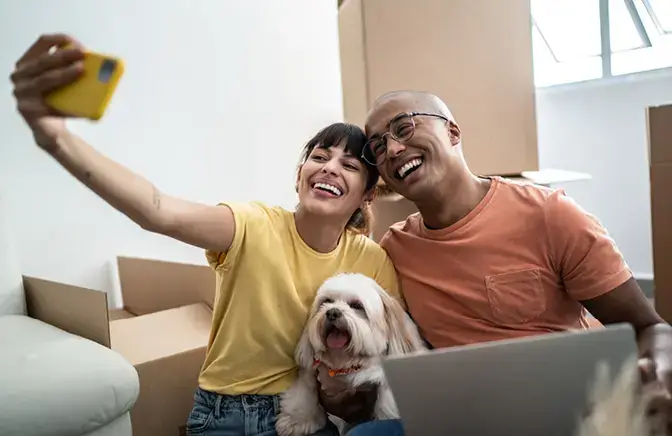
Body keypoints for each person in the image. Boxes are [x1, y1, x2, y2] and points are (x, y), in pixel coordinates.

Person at [9, 33, 402, 436]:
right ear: (300, 174)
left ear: (367, 195)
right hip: (224, 414)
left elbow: (397, 354)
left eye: (349, 165)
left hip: (306, 412)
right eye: (319, 157)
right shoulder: (251, 225)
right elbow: (157, 210)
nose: (329, 168)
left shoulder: (370, 261)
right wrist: (56, 137)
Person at [335, 90, 672, 435]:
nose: (392, 150)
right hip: (461, 415)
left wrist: (659, 373)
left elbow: (649, 327)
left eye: (404, 128)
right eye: (378, 146)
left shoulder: (550, 215)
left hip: (567, 414)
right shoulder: (394, 249)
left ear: (452, 132)